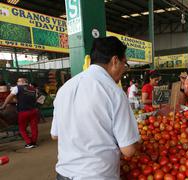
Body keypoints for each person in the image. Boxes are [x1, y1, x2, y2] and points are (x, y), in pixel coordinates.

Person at [50, 36, 140, 180]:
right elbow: (128, 150)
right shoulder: (114, 92)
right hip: (96, 175)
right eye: (125, 63)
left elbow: (55, 135)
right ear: (115, 60)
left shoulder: (65, 88)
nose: (124, 69)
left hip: (63, 174)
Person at [0, 77, 39, 148]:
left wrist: (3, 106)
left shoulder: (17, 88)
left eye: (18, 81)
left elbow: (9, 97)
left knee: (22, 128)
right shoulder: (33, 89)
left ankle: (29, 143)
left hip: (23, 112)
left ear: (23, 81)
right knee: (34, 127)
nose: (17, 82)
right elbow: (34, 99)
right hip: (33, 111)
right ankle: (34, 142)